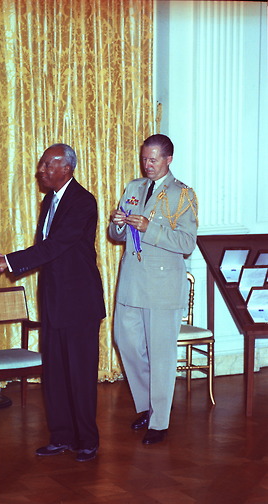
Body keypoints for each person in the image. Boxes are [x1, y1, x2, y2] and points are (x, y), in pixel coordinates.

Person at [0, 143, 106, 462]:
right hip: (54, 300)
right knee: (55, 372)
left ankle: (87, 440)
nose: (40, 171)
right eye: (41, 165)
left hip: (80, 302)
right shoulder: (48, 201)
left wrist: (8, 261)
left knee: (80, 374)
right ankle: (62, 436)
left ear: (66, 168)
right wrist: (10, 260)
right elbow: (44, 249)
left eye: (46, 165)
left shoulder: (83, 202)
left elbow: (56, 245)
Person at [109, 134, 198, 445]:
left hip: (162, 286)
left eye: (154, 159)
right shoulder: (134, 187)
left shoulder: (182, 194)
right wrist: (119, 223)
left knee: (161, 354)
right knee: (126, 342)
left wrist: (150, 228)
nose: (147, 164)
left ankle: (159, 422)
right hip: (132, 283)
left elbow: (187, 244)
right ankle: (147, 405)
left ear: (169, 159)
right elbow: (117, 234)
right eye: (145, 158)